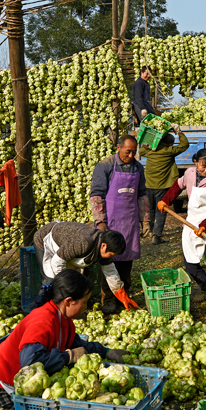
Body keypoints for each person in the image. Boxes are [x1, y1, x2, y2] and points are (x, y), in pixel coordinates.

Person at [0, 269, 128, 410]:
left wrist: (108, 352)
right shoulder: (43, 319)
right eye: (84, 302)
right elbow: (30, 363)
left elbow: (80, 345)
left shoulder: (64, 321)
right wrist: (69, 356)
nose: (86, 307)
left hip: (13, 392)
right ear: (69, 301)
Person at [157, 148, 206, 314]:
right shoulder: (190, 173)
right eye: (203, 166)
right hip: (191, 223)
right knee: (190, 263)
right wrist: (165, 200)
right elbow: (177, 186)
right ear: (195, 163)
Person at [90, 135, 151, 314]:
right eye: (127, 152)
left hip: (129, 223)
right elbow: (97, 195)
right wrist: (100, 221)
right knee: (108, 261)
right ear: (118, 148)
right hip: (110, 223)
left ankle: (125, 295)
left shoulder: (138, 168)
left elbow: (142, 196)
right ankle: (108, 299)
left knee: (126, 262)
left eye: (134, 152)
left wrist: (145, 220)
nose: (131, 155)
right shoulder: (105, 166)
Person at [33, 222, 131, 307]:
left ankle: (70, 307)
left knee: (80, 280)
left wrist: (122, 295)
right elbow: (57, 262)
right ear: (103, 246)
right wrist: (66, 285)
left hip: (65, 249)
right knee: (50, 281)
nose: (110, 257)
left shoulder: (103, 245)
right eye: (111, 254)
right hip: (46, 239)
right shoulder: (83, 242)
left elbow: (110, 271)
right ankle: (39, 308)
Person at [139, 125, 190, 245]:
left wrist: (148, 142)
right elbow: (184, 145)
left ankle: (151, 231)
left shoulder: (150, 151)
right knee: (161, 210)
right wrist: (179, 132)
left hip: (149, 185)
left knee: (151, 209)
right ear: (170, 144)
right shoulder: (169, 152)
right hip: (161, 186)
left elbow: (141, 151)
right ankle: (156, 236)